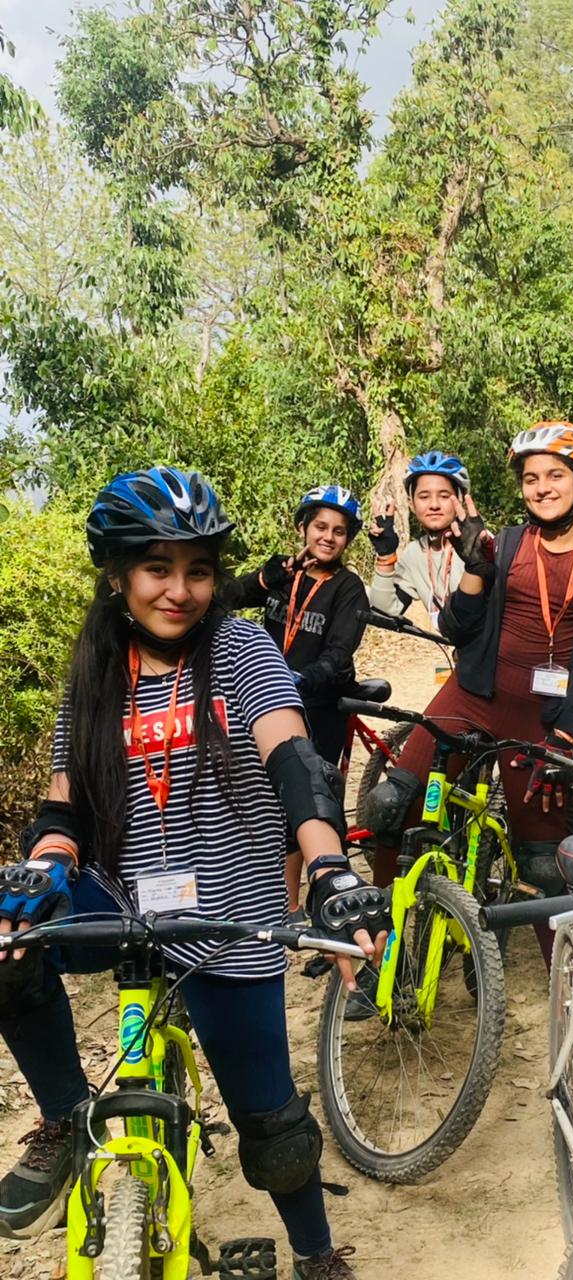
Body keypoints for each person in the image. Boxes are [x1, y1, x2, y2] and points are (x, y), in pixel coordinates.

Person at [0, 467, 388, 1280]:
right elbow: (64, 805)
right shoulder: (95, 671)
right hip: (120, 892)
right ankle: (66, 1115)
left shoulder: (240, 649)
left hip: (229, 903)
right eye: (158, 568)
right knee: (6, 940)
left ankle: (316, 1254)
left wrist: (327, 867)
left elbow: (293, 759)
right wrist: (43, 868)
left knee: (272, 1127)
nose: (180, 591)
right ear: (118, 574)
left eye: (199, 570)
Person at [367, 421, 573, 947]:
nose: (542, 488)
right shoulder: (505, 544)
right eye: (531, 478)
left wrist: (567, 734)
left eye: (556, 476)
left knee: (541, 865)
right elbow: (457, 628)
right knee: (389, 806)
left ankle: (566, 981)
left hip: (540, 718)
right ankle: (379, 946)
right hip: (470, 695)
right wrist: (476, 567)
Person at [235, 485, 368, 911]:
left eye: (339, 531)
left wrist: (301, 679)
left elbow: (339, 654)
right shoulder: (284, 574)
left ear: (348, 539)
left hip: (317, 706)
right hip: (264, 704)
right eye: (320, 527)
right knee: (259, 800)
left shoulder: (348, 588)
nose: (328, 537)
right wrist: (265, 578)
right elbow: (221, 597)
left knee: (302, 804)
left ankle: (293, 909)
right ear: (302, 529)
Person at [367, 451, 470, 626]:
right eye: (424, 497)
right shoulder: (414, 554)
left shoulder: (480, 543)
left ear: (460, 500)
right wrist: (385, 556)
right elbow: (385, 613)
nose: (434, 505)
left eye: (444, 496)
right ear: (411, 504)